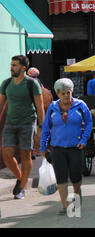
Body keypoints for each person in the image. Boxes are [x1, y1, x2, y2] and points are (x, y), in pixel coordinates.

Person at [40, 78, 93, 215]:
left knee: (76, 178)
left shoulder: (80, 105)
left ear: (72, 92)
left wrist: (84, 139)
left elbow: (88, 123)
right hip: (57, 148)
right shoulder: (52, 107)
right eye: (62, 93)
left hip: (76, 147)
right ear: (57, 94)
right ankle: (65, 206)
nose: (66, 96)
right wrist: (43, 146)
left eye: (68, 92)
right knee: (61, 178)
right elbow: (46, 128)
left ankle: (76, 194)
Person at [0, 55, 45, 200]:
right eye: (11, 64)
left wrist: (40, 128)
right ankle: (21, 178)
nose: (11, 67)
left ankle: (21, 188)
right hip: (10, 123)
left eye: (14, 65)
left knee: (25, 154)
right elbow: (0, 105)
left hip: (28, 122)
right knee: (6, 153)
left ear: (23, 68)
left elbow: (39, 108)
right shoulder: (6, 83)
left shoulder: (32, 84)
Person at [27, 67, 53, 157]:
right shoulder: (46, 91)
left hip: (33, 113)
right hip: (44, 113)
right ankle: (42, 148)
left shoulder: (29, 86)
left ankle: (34, 150)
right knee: (41, 128)